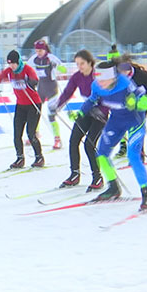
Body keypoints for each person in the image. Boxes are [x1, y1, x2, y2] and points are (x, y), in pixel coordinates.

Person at [76, 61, 147, 210]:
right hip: (116, 122)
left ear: (113, 78)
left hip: (134, 122)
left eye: (103, 80)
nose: (100, 83)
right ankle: (113, 187)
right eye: (97, 79)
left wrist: (137, 103)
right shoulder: (96, 86)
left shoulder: (125, 83)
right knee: (102, 154)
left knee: (133, 156)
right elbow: (92, 99)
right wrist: (81, 112)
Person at [47, 49, 106, 190]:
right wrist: (58, 105)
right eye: (77, 64)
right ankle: (74, 174)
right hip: (86, 112)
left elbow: (108, 96)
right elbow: (68, 92)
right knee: (73, 141)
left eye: (82, 63)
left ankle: (97, 177)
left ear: (90, 62)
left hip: (99, 115)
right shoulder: (77, 77)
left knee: (89, 145)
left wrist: (103, 111)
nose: (80, 67)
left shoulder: (98, 77)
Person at [0, 50, 45, 169]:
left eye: (13, 63)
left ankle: (39, 157)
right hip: (20, 105)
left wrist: (31, 82)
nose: (12, 66)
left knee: (31, 133)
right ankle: (20, 158)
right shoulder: (9, 71)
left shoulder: (27, 69)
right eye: (9, 64)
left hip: (33, 104)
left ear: (18, 61)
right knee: (17, 133)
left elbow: (35, 79)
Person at [29, 38, 67, 149]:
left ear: (45, 50)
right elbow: (27, 68)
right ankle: (35, 133)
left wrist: (56, 66)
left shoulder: (51, 58)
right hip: (41, 88)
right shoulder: (34, 59)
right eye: (36, 51)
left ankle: (57, 138)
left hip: (52, 89)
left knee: (51, 115)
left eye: (40, 50)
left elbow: (64, 70)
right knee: (35, 112)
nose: (38, 53)